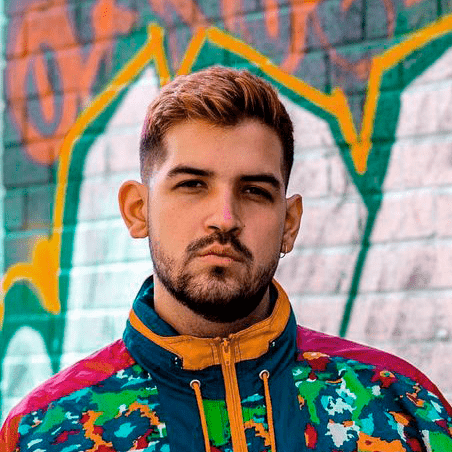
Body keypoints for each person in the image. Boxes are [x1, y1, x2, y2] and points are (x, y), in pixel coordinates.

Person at [1, 66, 451, 452]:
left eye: (254, 191)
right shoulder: (47, 432)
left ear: (289, 223)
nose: (224, 219)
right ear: (138, 211)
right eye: (193, 185)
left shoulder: (402, 409)